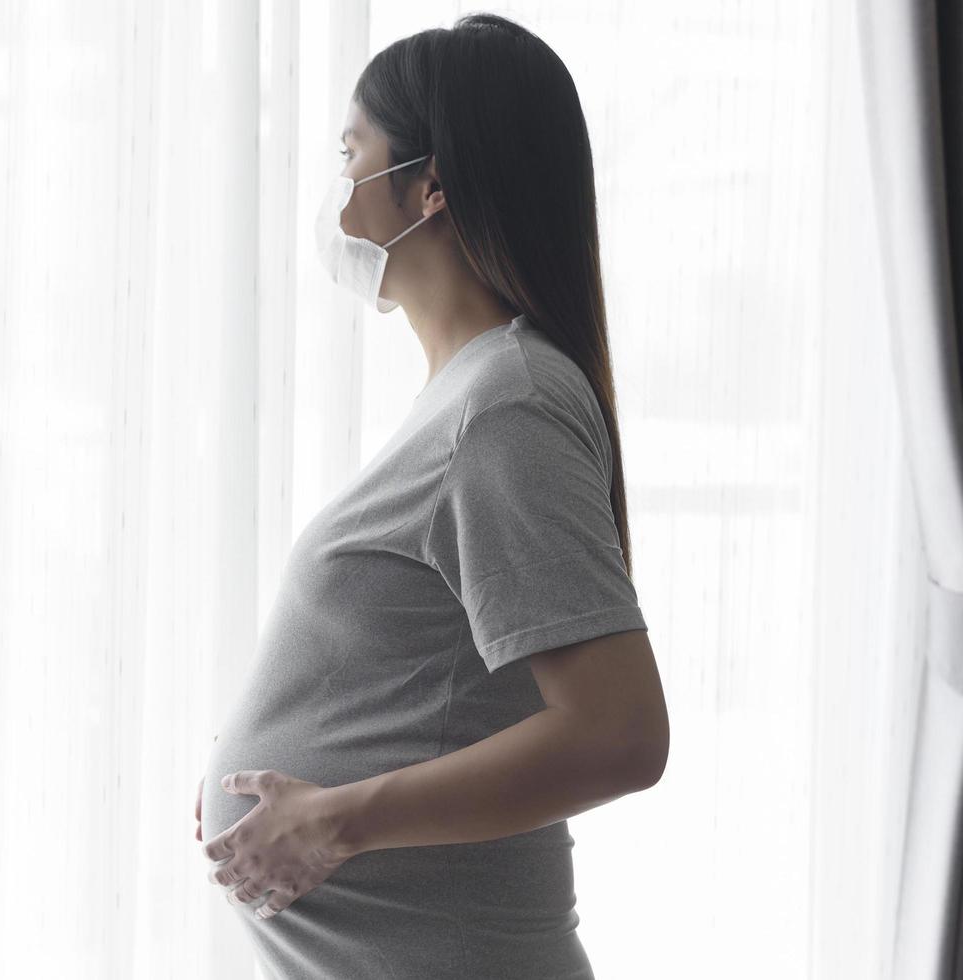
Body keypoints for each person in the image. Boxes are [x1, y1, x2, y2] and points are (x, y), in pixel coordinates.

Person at [193, 13, 670, 979]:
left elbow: (620, 734)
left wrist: (334, 817)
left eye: (349, 152)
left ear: (429, 188)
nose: (335, 188)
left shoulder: (505, 405)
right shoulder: (470, 394)